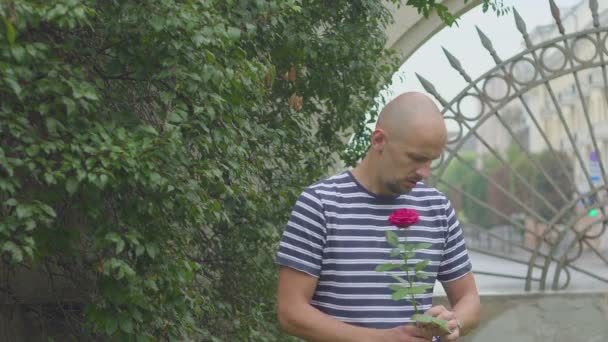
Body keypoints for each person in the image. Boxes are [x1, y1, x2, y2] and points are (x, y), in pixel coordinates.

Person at [275, 91, 480, 342]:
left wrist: (454, 321)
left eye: (431, 161)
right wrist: (382, 339)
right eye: (416, 158)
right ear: (379, 140)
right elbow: (290, 311)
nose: (424, 172)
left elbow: (469, 299)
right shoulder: (320, 204)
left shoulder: (437, 208)